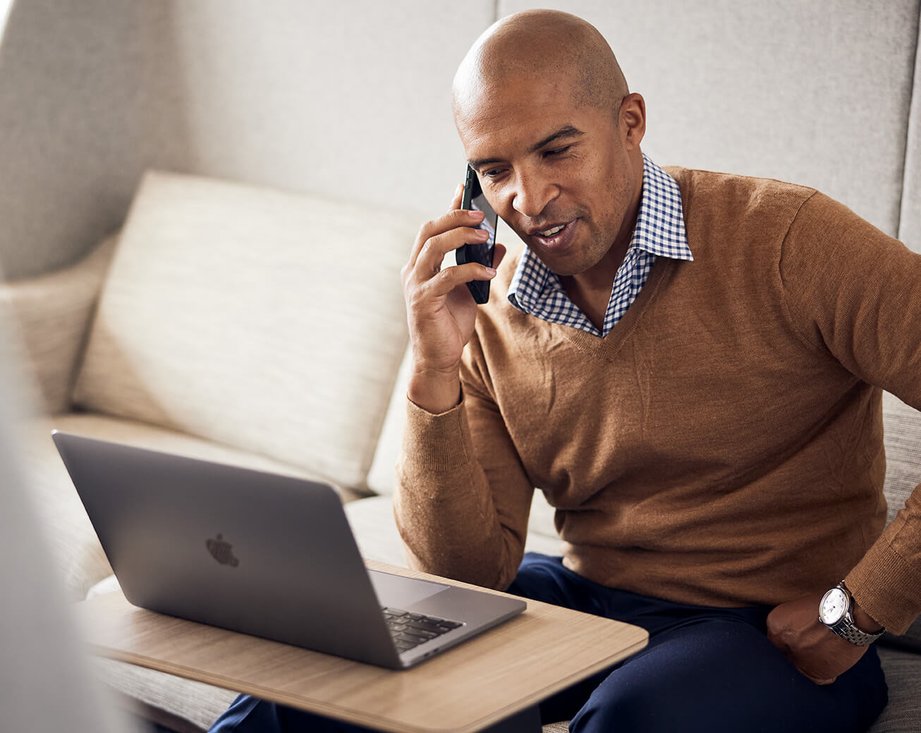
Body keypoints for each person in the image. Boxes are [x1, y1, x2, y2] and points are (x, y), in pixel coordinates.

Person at [211, 9, 921, 732]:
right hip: (588, 601)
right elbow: (466, 574)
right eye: (495, 170)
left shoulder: (786, 239)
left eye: (556, 150)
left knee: (633, 715)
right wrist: (432, 368)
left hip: (769, 632)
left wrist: (856, 611)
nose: (527, 198)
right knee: (323, 666)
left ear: (630, 122)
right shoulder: (486, 311)